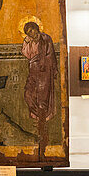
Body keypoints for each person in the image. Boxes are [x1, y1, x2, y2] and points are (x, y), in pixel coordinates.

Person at [20, 20, 56, 151]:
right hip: (33, 70)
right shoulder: (30, 41)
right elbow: (27, 55)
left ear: (36, 28)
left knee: (42, 99)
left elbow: (50, 55)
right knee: (28, 95)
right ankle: (39, 118)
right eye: (28, 32)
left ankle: (42, 126)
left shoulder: (46, 39)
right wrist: (27, 42)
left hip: (44, 71)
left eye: (32, 30)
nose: (31, 33)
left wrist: (44, 64)